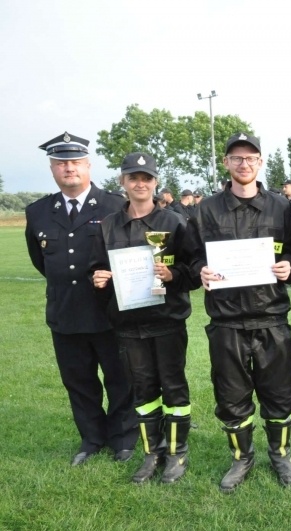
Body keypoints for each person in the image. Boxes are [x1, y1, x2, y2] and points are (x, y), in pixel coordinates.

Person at [192, 132, 291, 492]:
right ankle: (242, 458)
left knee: (280, 394)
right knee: (231, 397)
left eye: (250, 158)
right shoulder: (206, 209)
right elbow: (193, 254)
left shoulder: (281, 207)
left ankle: (281, 454)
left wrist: (289, 266)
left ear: (260, 162)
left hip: (271, 318)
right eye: (236, 158)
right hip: (227, 321)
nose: (244, 164)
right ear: (226, 163)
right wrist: (200, 271)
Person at [24, 132, 137, 465]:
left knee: (120, 379)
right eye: (61, 163)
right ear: (52, 169)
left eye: (75, 162)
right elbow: (41, 259)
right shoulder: (39, 211)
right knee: (79, 381)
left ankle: (122, 438)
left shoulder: (116, 206)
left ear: (88, 165)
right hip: (66, 312)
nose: (68, 168)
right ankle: (91, 439)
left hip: (109, 312)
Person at [90, 152, 202, 484]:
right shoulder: (108, 225)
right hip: (128, 324)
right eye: (133, 177)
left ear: (155, 183)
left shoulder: (174, 222)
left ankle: (177, 453)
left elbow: (193, 271)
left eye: (147, 178)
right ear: (122, 182)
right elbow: (97, 268)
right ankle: (152, 452)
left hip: (167, 319)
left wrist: (173, 275)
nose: (140, 183)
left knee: (174, 386)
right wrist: (97, 279)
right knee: (142, 388)